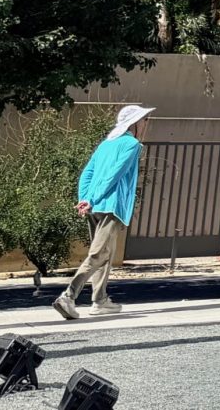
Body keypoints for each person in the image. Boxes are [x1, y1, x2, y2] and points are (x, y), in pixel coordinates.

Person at [54, 105, 153, 320]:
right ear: (135, 122)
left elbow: (87, 173)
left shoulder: (106, 144)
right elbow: (115, 174)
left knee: (105, 254)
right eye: (145, 119)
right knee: (99, 254)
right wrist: (93, 198)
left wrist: (85, 198)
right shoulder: (132, 144)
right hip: (111, 205)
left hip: (95, 206)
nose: (147, 123)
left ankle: (100, 300)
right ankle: (68, 296)